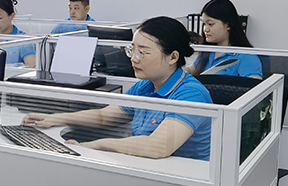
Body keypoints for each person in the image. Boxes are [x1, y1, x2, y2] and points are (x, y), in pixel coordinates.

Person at [22, 16, 213, 160]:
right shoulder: (145, 86)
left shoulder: (191, 93)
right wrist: (53, 118)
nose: (134, 58)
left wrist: (95, 145)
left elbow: (158, 146)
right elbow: (103, 116)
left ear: (173, 57)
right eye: (132, 49)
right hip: (149, 169)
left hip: (188, 180)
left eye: (143, 52)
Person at [188, 0, 262, 79]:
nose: (206, 29)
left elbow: (254, 83)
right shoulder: (208, 52)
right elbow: (191, 70)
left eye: (210, 24)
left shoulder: (246, 56)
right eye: (204, 24)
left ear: (228, 25)